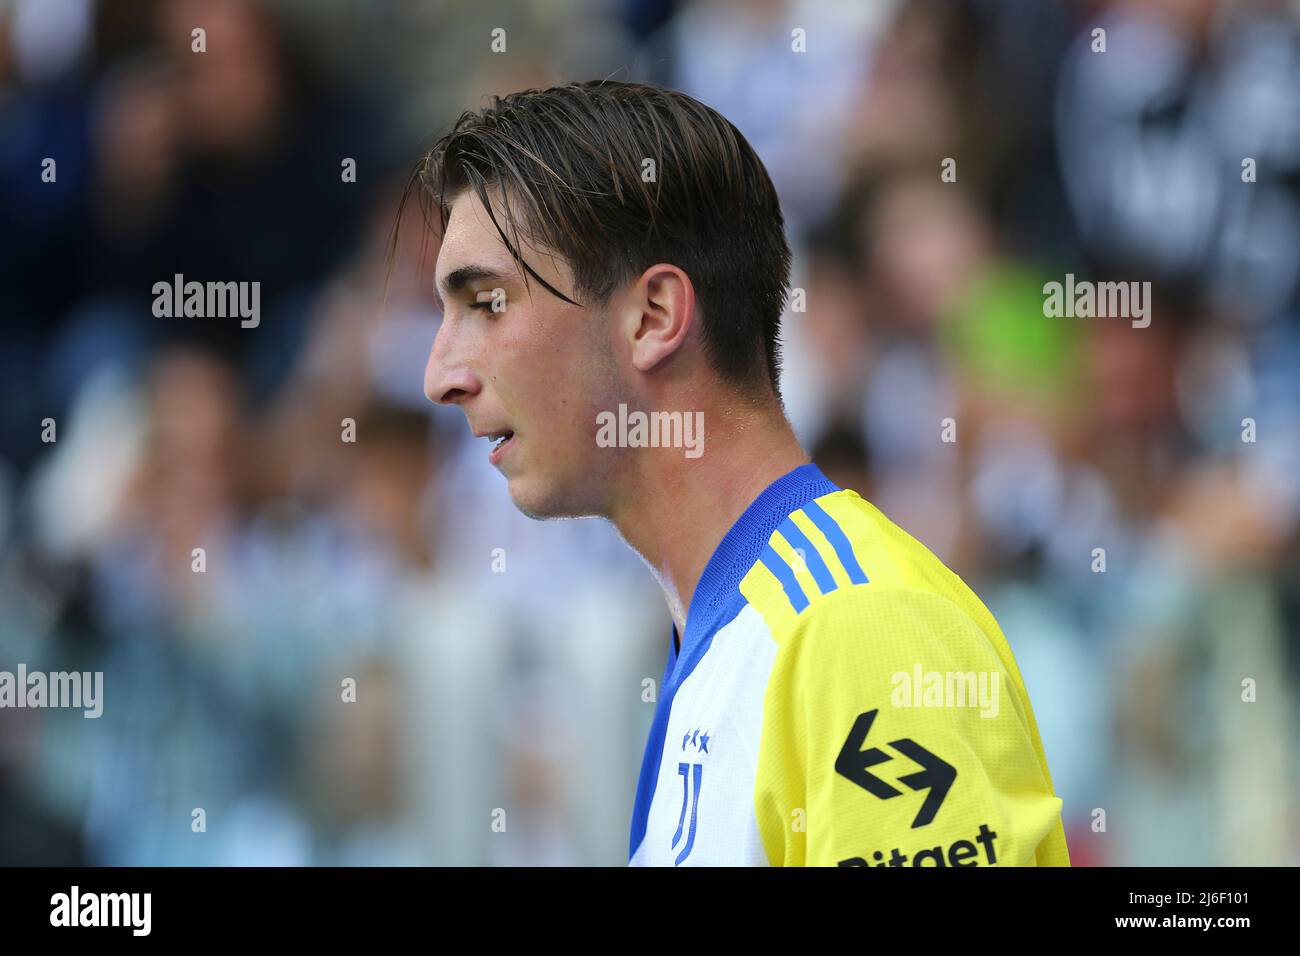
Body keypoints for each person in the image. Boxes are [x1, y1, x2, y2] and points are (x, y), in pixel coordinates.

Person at [405, 80, 1069, 867]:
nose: (439, 374)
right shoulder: (728, 637)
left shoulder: (856, 629)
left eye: (486, 303)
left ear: (653, 318)